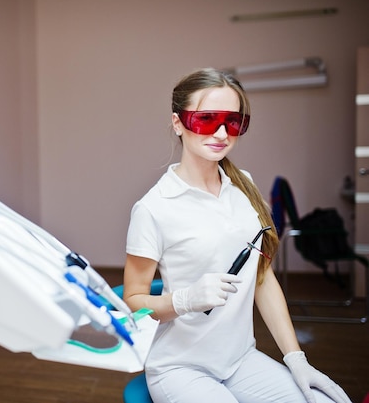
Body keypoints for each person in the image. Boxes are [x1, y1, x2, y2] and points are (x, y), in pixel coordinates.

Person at [123, 68, 352, 403]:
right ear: (178, 123)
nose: (221, 132)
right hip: (180, 368)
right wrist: (184, 300)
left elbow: (261, 277)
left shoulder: (243, 185)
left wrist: (296, 360)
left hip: (240, 359)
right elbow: (134, 303)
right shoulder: (154, 208)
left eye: (233, 122)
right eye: (206, 119)